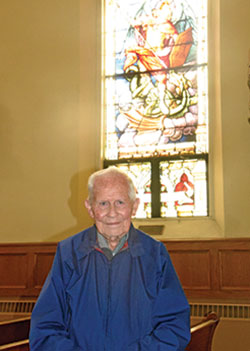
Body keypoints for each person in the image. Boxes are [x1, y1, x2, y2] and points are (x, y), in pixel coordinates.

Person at [29, 167, 190, 350]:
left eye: (120, 202)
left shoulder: (154, 254)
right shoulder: (69, 253)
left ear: (135, 206)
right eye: (103, 203)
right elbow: (44, 328)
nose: (112, 213)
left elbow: (175, 325)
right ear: (90, 208)